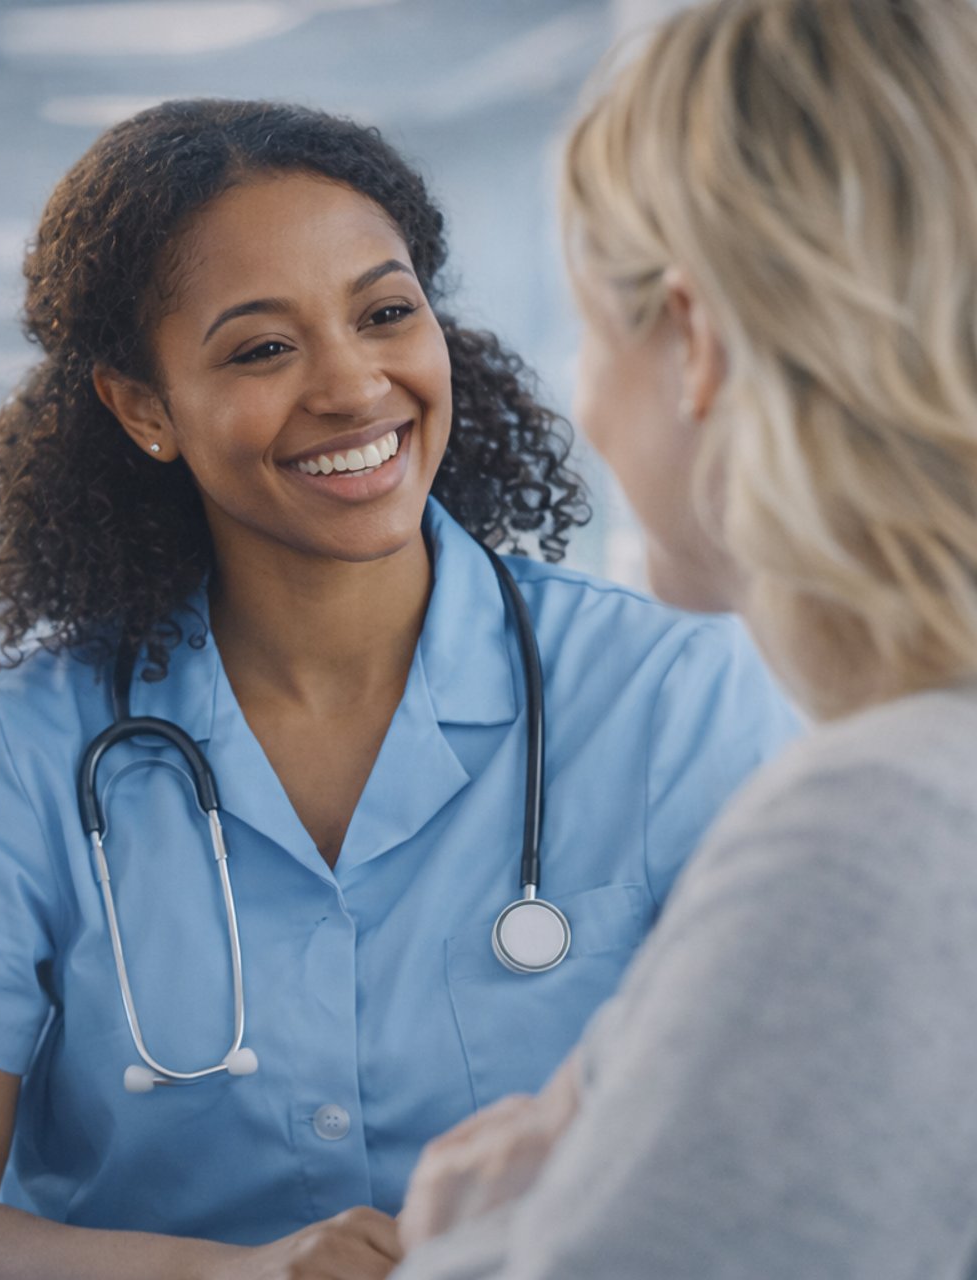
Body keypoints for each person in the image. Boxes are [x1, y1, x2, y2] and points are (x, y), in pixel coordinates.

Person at [0, 99, 801, 1280]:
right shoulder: (11, 747)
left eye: (386, 313)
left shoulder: (672, 696)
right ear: (144, 406)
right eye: (263, 347)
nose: (355, 387)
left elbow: (818, 1131)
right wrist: (235, 1277)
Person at [394, 2, 977, 1275]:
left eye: (593, 328)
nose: (583, 390)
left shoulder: (877, 829)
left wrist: (468, 1241)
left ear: (695, 344)